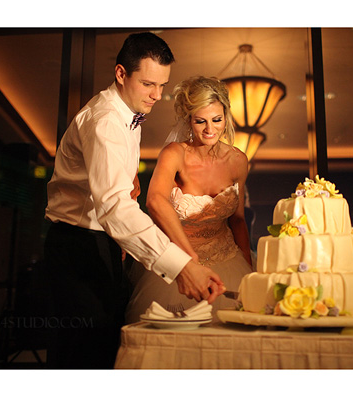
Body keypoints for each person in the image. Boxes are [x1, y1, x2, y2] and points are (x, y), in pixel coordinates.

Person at [42, 33, 223, 369]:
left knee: (106, 348)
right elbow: (114, 208)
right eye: (148, 84)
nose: (157, 95)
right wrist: (180, 266)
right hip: (76, 247)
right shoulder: (106, 121)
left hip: (101, 242)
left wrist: (130, 183)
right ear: (121, 73)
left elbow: (113, 185)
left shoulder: (130, 110)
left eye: (162, 85)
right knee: (80, 359)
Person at [126, 76, 253, 324]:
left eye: (217, 120)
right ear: (189, 120)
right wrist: (187, 262)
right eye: (200, 121)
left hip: (229, 261)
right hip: (180, 264)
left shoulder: (239, 160)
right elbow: (154, 201)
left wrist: (249, 272)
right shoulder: (174, 154)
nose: (209, 129)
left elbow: (237, 220)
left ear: (226, 117)